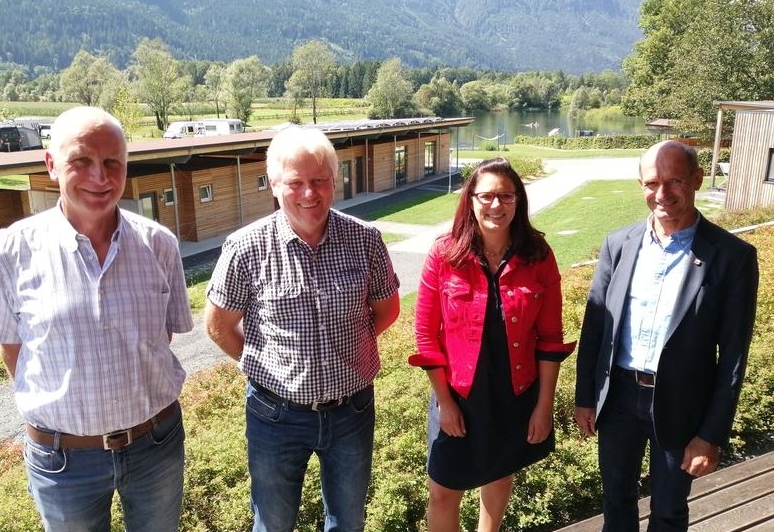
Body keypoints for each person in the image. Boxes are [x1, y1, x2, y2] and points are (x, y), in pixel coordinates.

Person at [0, 106, 194, 532]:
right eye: (81, 161)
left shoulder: (159, 244)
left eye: (112, 163)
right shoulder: (11, 252)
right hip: (63, 460)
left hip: (155, 445)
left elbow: (159, 339)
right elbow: (15, 354)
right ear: (51, 165)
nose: (100, 177)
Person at [204, 126, 401, 532]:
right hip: (274, 415)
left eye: (319, 181)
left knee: (348, 522)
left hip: (352, 410)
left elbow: (387, 310)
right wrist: (266, 364)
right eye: (296, 183)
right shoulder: (245, 247)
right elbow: (218, 326)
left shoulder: (365, 240)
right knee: (272, 524)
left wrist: (348, 351)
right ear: (274, 184)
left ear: (334, 181)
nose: (309, 194)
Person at [574, 140, 759, 532]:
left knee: (669, 512)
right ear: (640, 184)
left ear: (696, 179)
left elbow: (733, 358)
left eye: (674, 180)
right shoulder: (618, 244)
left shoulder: (732, 255)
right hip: (619, 399)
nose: (662, 194)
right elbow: (596, 327)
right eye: (652, 182)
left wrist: (710, 434)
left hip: (682, 404)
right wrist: (586, 398)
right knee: (616, 501)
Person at [409, 157, 576, 532]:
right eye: (486, 196)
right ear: (470, 200)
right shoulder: (444, 254)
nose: (496, 205)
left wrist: (543, 407)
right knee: (442, 490)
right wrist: (446, 403)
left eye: (506, 196)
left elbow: (550, 339)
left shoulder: (539, 256)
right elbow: (425, 336)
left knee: (499, 476)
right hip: (458, 392)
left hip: (514, 391)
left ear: (518, 201)